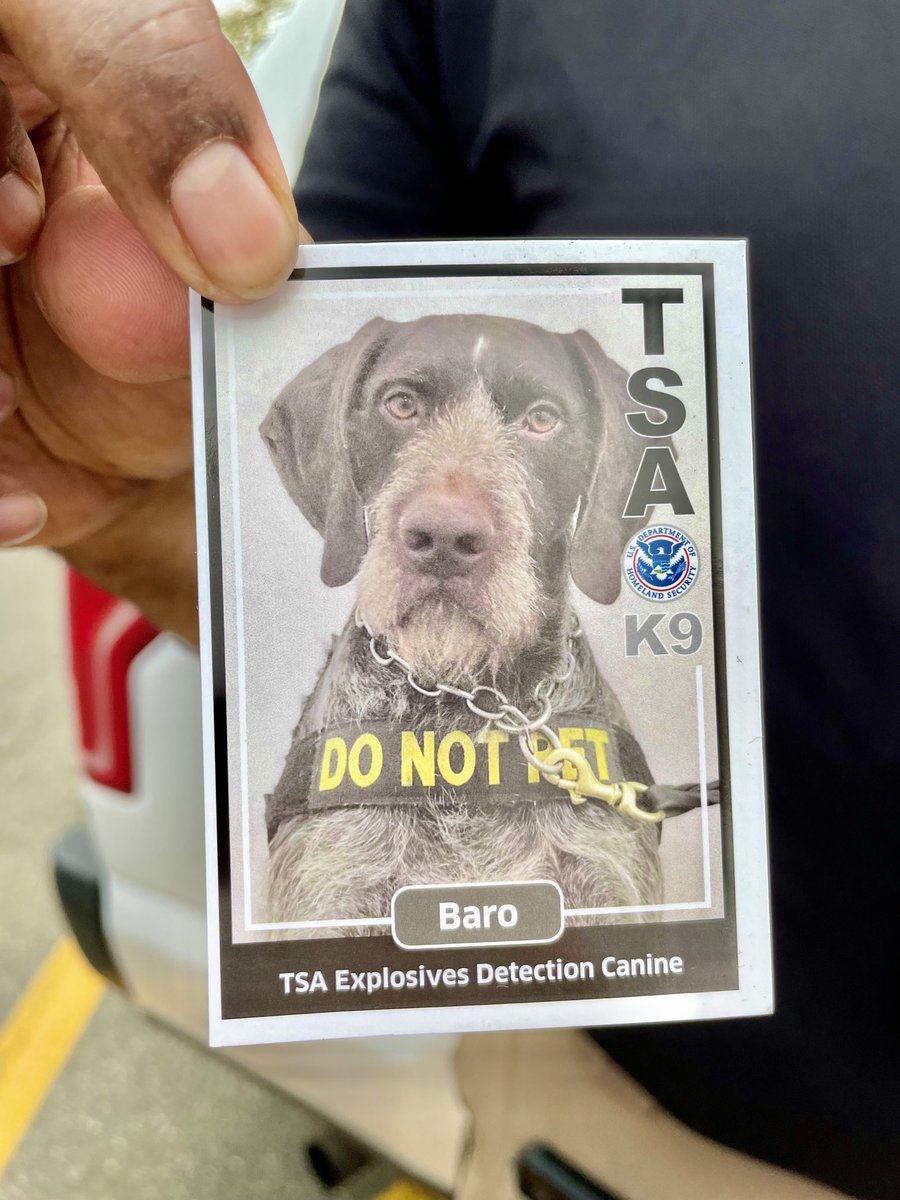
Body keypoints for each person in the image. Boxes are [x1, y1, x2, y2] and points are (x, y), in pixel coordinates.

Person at [0, 2, 896, 1197]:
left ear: (605, 479)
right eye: (406, 408)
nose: (450, 507)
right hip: (647, 1123)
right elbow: (282, 532)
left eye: (534, 421)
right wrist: (129, 502)